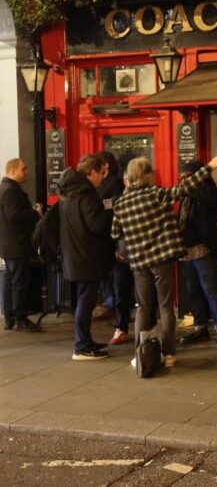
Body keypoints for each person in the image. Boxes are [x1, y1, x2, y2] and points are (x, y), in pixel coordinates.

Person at [112, 153, 217, 369]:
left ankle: (140, 352)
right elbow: (185, 187)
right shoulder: (156, 194)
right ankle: (169, 353)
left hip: (138, 262)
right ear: (146, 176)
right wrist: (210, 166)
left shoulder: (121, 203)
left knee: (143, 308)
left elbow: (115, 232)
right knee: (165, 306)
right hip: (161, 259)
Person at [58, 154, 113, 359]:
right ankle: (81, 345)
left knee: (85, 299)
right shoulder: (86, 194)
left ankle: (85, 340)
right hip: (86, 256)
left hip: (75, 254)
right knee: (86, 301)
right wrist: (110, 212)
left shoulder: (69, 193)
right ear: (92, 172)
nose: (103, 178)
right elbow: (96, 224)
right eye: (102, 173)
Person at [177, 159, 217, 349]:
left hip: (204, 248)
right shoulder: (184, 195)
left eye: (186, 177)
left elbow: (212, 202)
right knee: (193, 290)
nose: (182, 181)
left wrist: (193, 187)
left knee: (211, 290)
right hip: (186, 249)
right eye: (181, 177)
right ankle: (200, 327)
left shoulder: (209, 190)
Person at [0, 158, 41, 331]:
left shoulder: (5, 188)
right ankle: (20, 319)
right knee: (19, 282)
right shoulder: (10, 191)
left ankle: (10, 317)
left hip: (9, 243)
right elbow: (13, 215)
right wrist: (35, 213)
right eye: (23, 169)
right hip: (17, 243)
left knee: (10, 280)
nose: (26, 173)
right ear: (13, 171)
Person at [98, 151, 133, 345]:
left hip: (132, 250)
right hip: (119, 248)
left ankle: (141, 326)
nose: (127, 182)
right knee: (120, 288)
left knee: (133, 289)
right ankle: (121, 326)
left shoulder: (113, 186)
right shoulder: (118, 197)